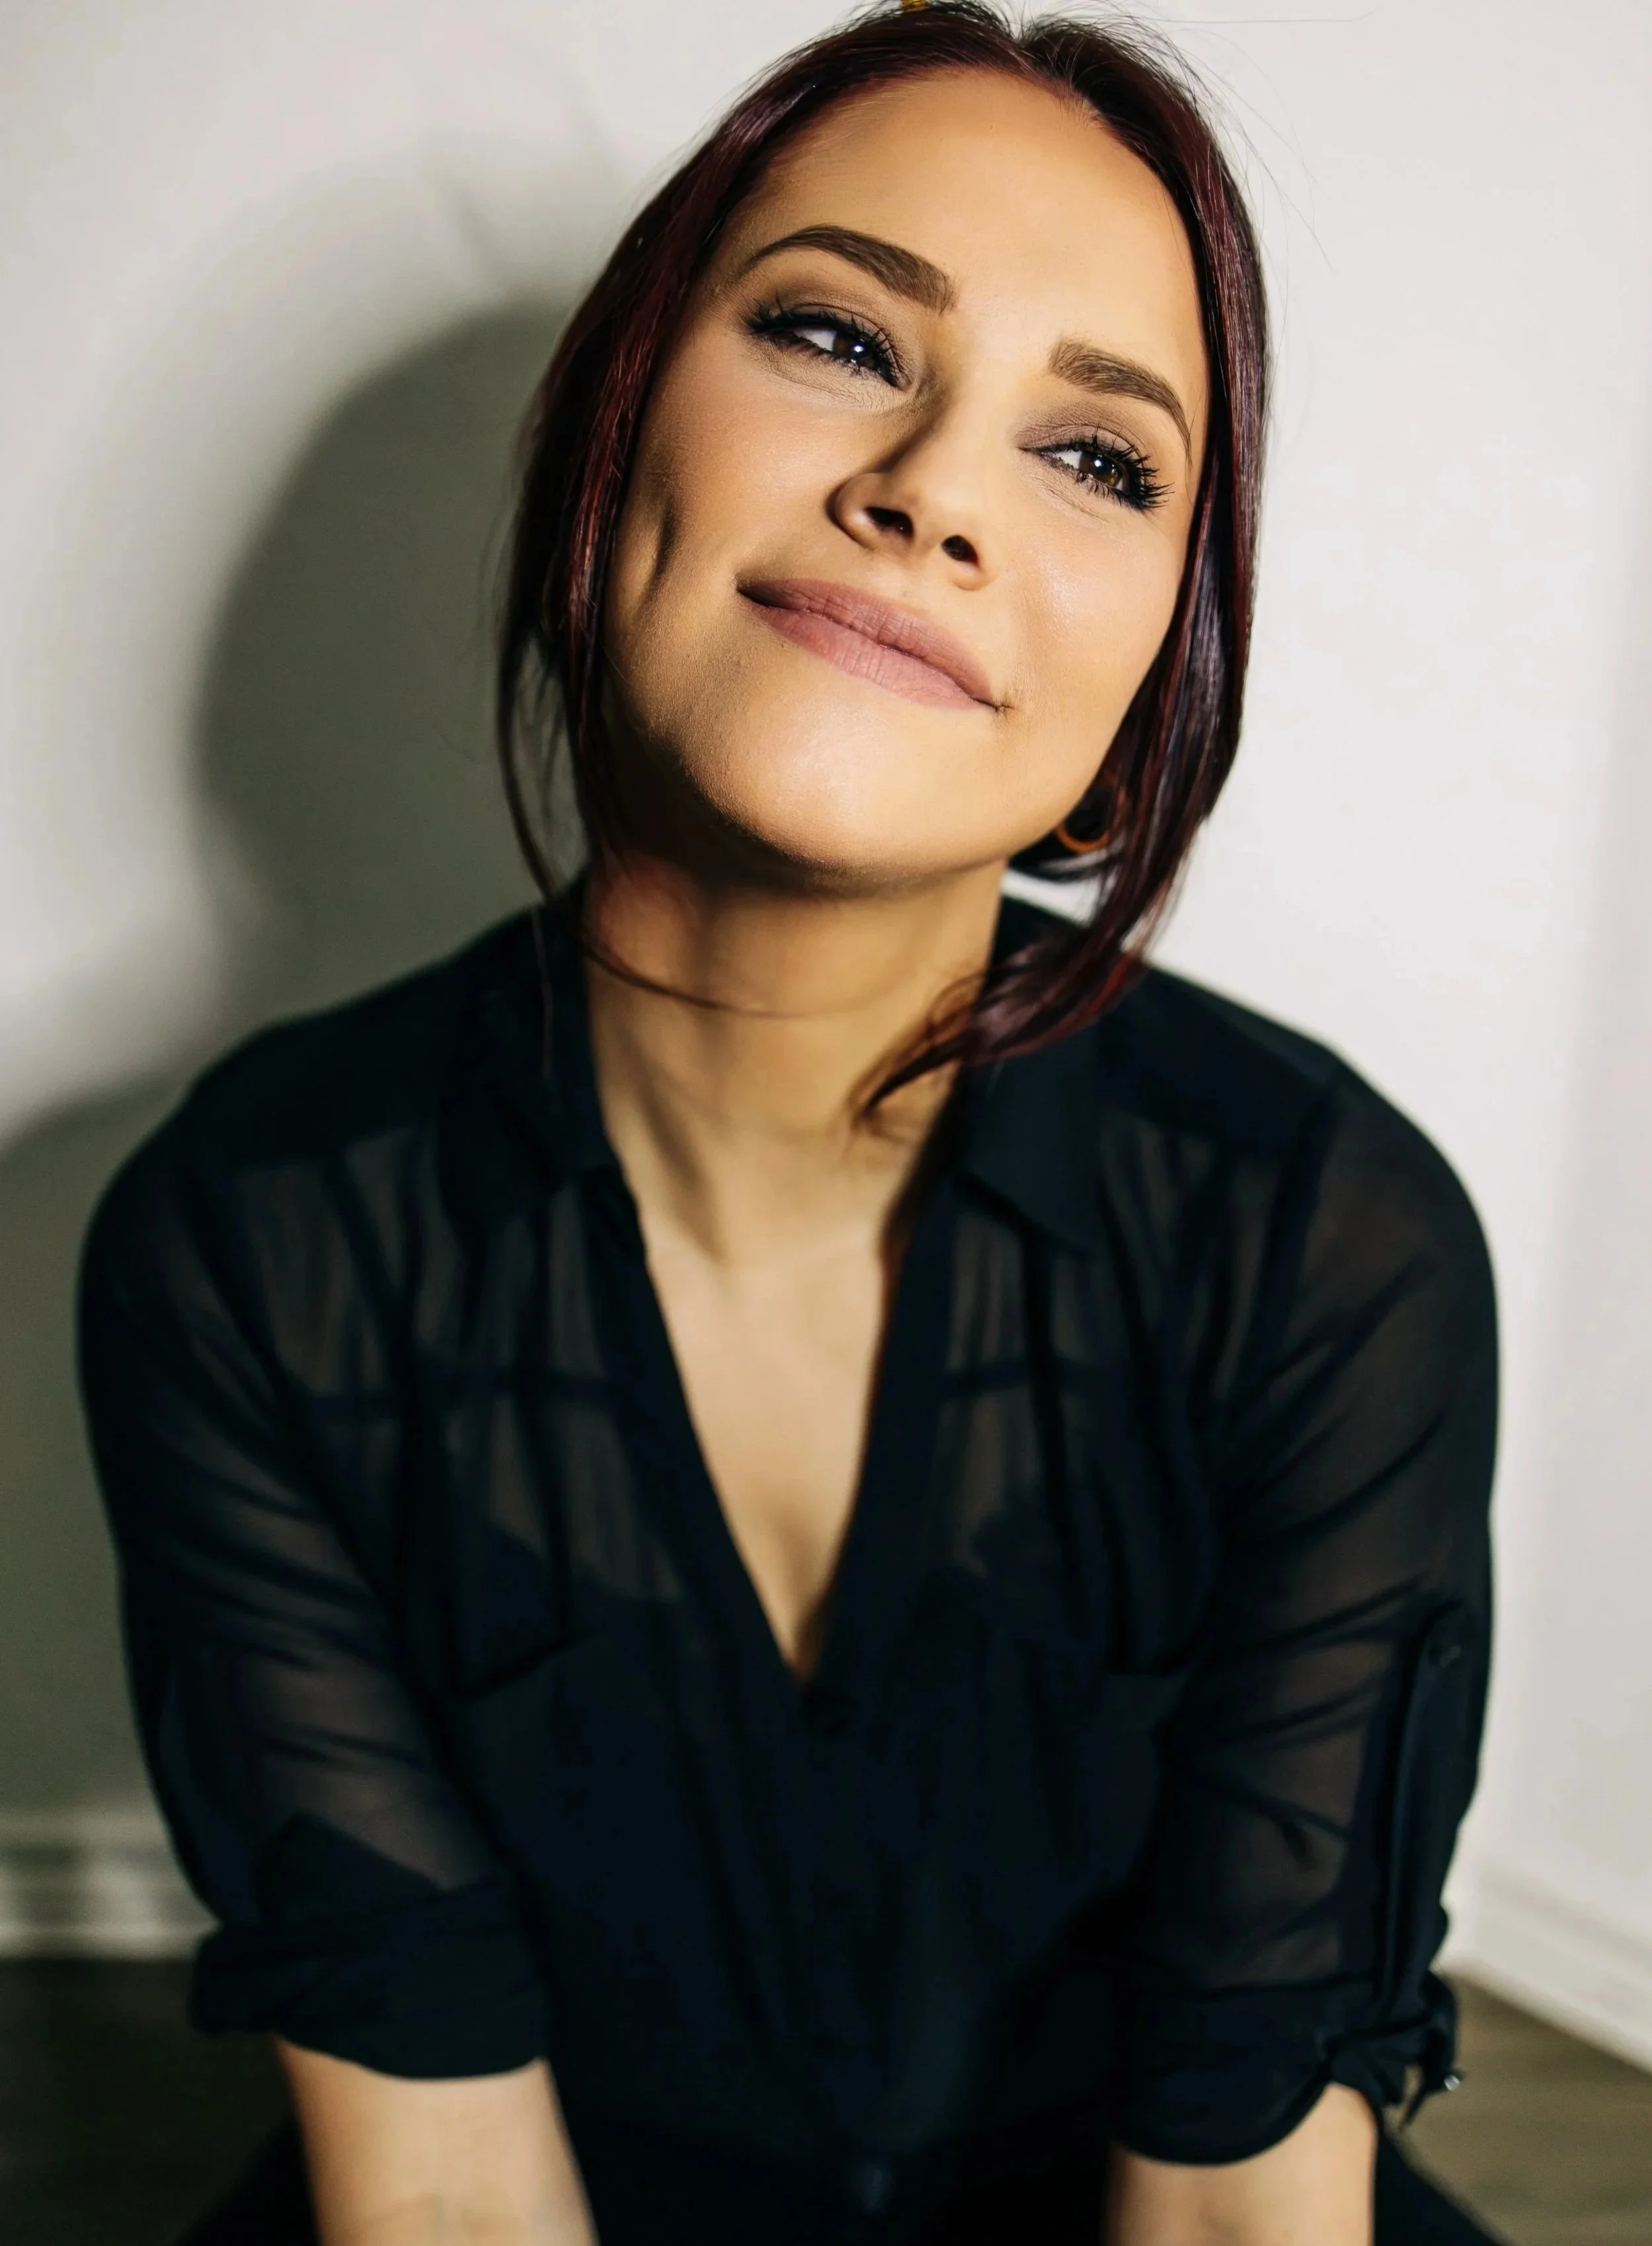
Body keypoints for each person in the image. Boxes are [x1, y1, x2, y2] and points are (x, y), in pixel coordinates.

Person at [78, 7, 1500, 2242]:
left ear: (1155, 687)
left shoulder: (1325, 1239)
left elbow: (1239, 2196)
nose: (933, 483)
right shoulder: (244, 1241)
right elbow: (444, 2181)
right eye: (838, 333)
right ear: (609, 426)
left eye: (1102, 460)